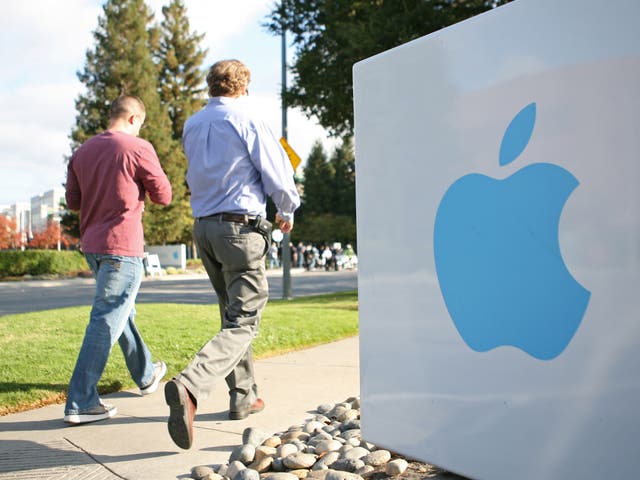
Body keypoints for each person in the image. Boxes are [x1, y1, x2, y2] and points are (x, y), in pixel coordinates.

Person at [165, 59, 300, 450]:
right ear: (243, 86)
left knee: (232, 317)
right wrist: (286, 209)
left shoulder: (192, 124)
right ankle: (190, 385)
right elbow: (277, 172)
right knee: (244, 320)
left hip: (205, 228)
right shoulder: (248, 118)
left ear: (212, 86)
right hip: (240, 228)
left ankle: (243, 397)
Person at [64, 94, 172, 424]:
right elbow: (164, 195)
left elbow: (72, 201)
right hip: (121, 247)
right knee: (106, 319)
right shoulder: (137, 148)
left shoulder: (82, 152)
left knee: (120, 313)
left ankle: (145, 375)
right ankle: (81, 401)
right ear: (134, 119)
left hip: (93, 246)